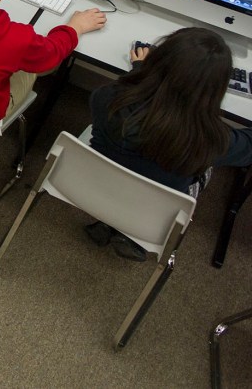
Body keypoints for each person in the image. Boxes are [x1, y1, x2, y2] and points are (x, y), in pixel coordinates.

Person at [85, 28, 252, 260]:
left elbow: (140, 99)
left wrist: (139, 69)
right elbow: (248, 148)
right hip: (156, 209)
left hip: (93, 185)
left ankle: (108, 221)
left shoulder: (107, 97)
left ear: (158, 59)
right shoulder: (211, 140)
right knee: (206, 167)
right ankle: (135, 237)